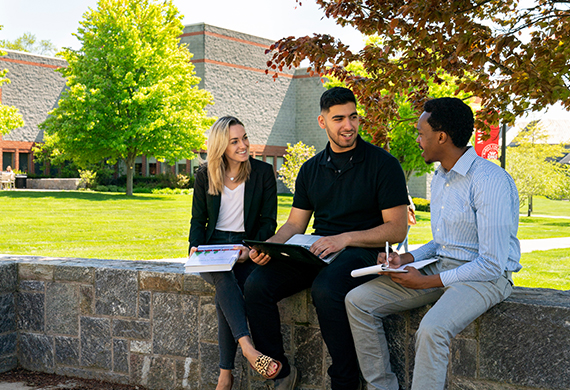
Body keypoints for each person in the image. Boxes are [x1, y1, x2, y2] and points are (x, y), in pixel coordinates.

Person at [345, 97, 522, 390]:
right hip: (443, 267)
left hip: (486, 278)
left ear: (441, 136)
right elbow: (442, 243)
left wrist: (428, 282)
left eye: (421, 133)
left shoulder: (489, 180)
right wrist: (407, 259)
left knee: (431, 329)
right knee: (358, 302)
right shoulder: (440, 177)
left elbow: (492, 262)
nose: (418, 140)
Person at [245, 87, 410, 390]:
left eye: (353, 117)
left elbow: (397, 229)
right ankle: (280, 373)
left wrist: (345, 238)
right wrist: (269, 247)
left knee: (327, 288)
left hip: (363, 248)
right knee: (257, 283)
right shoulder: (310, 169)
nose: (348, 125)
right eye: (338, 119)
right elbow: (295, 224)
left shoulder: (382, 164)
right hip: (319, 249)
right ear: (322, 122)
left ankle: (345, 382)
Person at [189, 116, 280, 390]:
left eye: (245, 138)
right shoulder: (205, 174)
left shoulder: (263, 173)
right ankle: (249, 350)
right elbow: (198, 220)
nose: (244, 145)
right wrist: (194, 247)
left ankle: (225, 374)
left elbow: (268, 222)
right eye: (235, 141)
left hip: (244, 244)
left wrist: (250, 249)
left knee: (225, 291)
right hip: (213, 246)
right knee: (223, 277)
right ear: (221, 146)